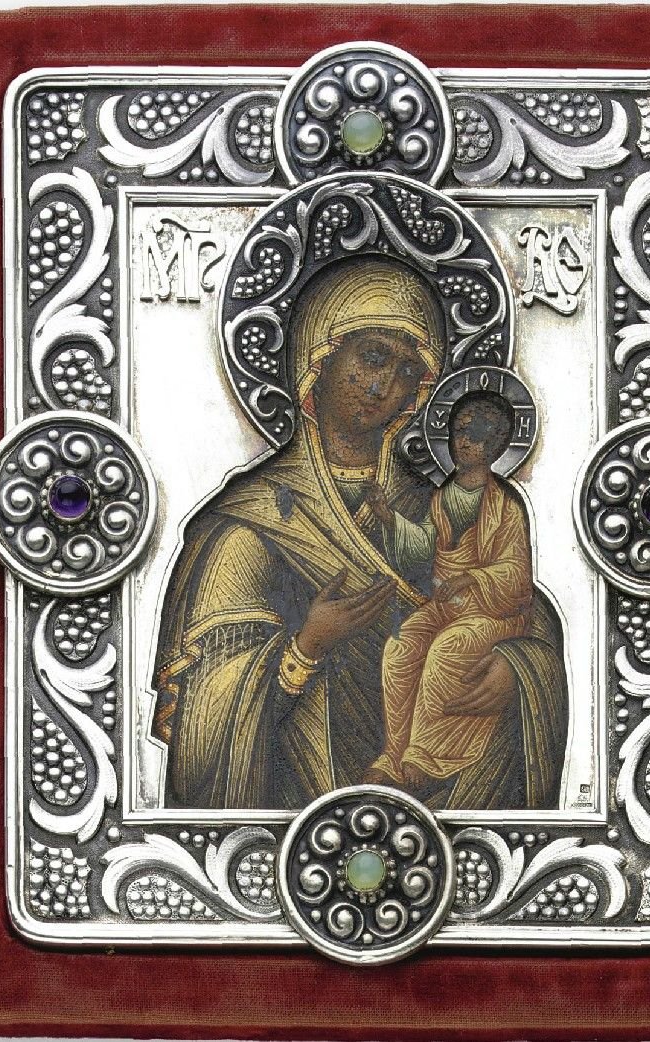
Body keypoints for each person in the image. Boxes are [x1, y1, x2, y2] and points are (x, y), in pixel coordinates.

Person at [152, 255, 568, 810]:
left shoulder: (433, 504)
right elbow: (202, 727)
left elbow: (519, 606)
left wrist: (520, 671)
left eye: (407, 372)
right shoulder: (245, 524)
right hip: (293, 812)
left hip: (442, 804)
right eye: (372, 357)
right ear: (317, 360)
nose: (384, 385)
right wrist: (305, 647)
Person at [364, 394, 534, 793]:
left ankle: (427, 757)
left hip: (493, 613)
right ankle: (394, 753)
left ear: (495, 446)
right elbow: (427, 545)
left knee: (446, 650)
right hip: (446, 605)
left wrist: (474, 577)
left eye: (475, 436)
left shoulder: (506, 507)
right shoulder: (443, 496)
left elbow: (517, 573)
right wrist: (389, 518)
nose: (464, 443)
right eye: (459, 432)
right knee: (401, 646)